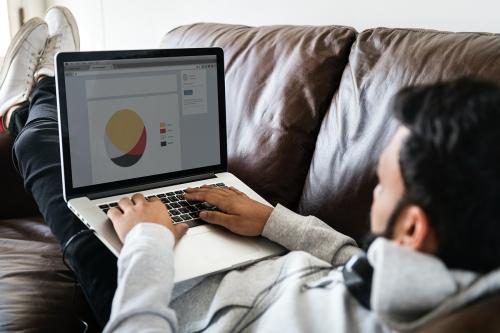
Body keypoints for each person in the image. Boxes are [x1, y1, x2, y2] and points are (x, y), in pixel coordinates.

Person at [2, 7, 500, 333]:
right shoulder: (455, 278)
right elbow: (357, 265)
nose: (373, 198)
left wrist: (147, 244)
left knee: (43, 149)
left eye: (382, 188)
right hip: (250, 259)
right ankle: (38, 93)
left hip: (162, 292)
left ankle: (30, 97)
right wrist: (268, 220)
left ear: (413, 227)